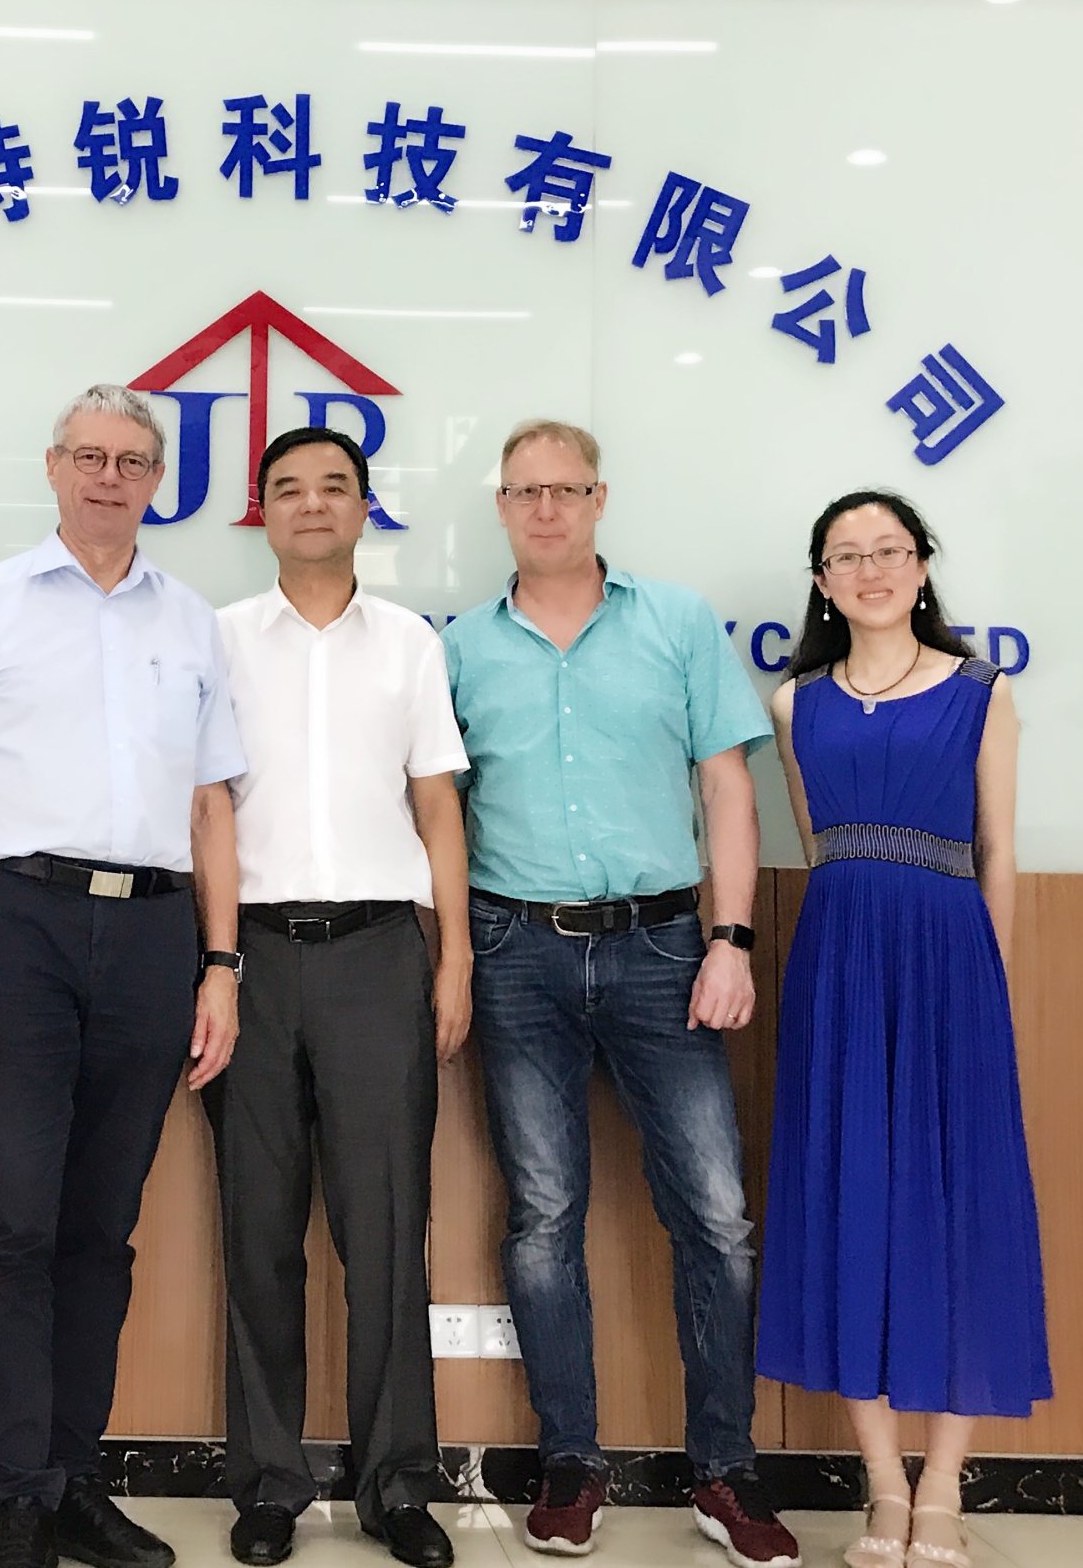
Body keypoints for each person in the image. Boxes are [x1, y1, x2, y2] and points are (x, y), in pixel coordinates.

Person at [0, 384, 245, 1568]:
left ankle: (76, 1482)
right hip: (17, 930)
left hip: (152, 937)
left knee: (101, 1229)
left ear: (157, 481)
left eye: (132, 460)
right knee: (15, 1224)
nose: (108, 477)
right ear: (53, 468)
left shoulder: (189, 621)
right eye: (88, 456)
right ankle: (17, 1502)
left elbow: (211, 810)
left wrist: (219, 968)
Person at [441, 419, 801, 1568]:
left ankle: (724, 1470)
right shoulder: (460, 646)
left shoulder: (677, 622)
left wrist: (730, 939)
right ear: (501, 506)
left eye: (566, 488)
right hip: (515, 951)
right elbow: (436, 808)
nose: (545, 508)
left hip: (662, 949)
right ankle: (571, 1464)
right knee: (543, 1218)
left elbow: (726, 788)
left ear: (599, 499)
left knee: (716, 1219)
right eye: (524, 491)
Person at [756, 491, 1051, 1568]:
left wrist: (988, 988)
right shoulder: (795, 703)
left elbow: (996, 851)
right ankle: (882, 1483)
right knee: (849, 1201)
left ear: (921, 567)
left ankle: (943, 1486)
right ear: (822, 581)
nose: (870, 569)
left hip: (950, 970)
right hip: (839, 967)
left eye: (889, 550)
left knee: (960, 1209)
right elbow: (819, 843)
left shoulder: (981, 690)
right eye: (846, 555)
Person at [209, 428, 473, 1568]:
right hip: (251, 959)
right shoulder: (219, 638)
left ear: (366, 507)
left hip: (378, 955)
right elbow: (204, 809)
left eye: (333, 486)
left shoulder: (409, 642)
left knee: (387, 1231)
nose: (311, 504)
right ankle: (268, 1484)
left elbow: (438, 806)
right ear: (260, 511)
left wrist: (453, 960)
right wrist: (215, 963)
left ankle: (396, 1485)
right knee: (257, 1233)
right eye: (288, 489)